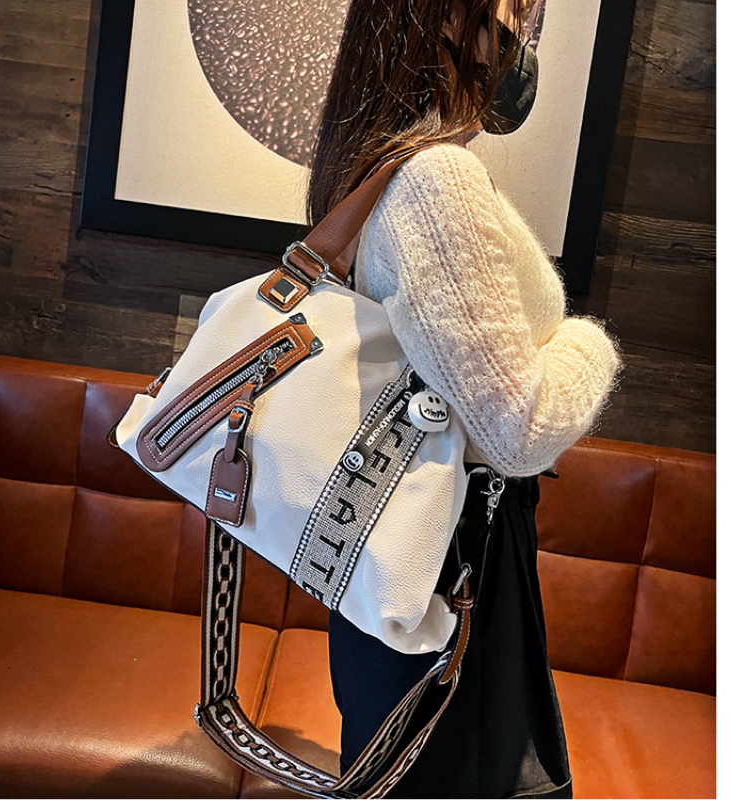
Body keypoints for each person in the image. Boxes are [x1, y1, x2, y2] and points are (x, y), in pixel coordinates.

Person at [305, 0, 621, 797]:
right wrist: (589, 343)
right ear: (452, 17)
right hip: (457, 558)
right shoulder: (435, 181)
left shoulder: (385, 164)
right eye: (518, 11)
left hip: (417, 552)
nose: (523, 37)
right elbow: (519, 428)